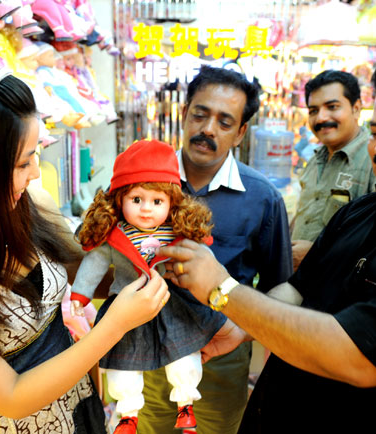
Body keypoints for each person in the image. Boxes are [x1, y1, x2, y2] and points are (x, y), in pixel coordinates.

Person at [160, 47, 376, 430]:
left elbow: (356, 355)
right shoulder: (365, 210)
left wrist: (223, 290)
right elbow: (299, 289)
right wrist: (240, 326)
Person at [0, 61, 169, 433]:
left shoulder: (26, 201)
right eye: (23, 162)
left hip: (80, 409)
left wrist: (149, 262)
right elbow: (11, 396)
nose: (36, 172)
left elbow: (80, 274)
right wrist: (117, 323)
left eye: (35, 154)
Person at [137, 66, 293, 433]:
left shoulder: (262, 198)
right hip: (148, 346)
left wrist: (240, 328)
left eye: (224, 122)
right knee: (148, 426)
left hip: (220, 354)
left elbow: (280, 286)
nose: (208, 129)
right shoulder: (142, 184)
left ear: (240, 133)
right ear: (185, 113)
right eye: (200, 114)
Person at [69, 139, 225, 434]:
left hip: (171, 300)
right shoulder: (113, 235)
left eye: (157, 202)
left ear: (172, 203)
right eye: (136, 199)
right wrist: (80, 294)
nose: (145, 210)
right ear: (119, 199)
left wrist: (214, 283)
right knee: (123, 365)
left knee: (183, 356)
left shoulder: (178, 232)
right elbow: (93, 265)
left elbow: (204, 259)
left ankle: (186, 402)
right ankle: (127, 414)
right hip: (126, 306)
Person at [291, 70, 376, 271]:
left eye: (332, 107)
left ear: (356, 108)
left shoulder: (375, 160)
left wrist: (317, 255)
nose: (321, 118)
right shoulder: (315, 158)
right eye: (313, 110)